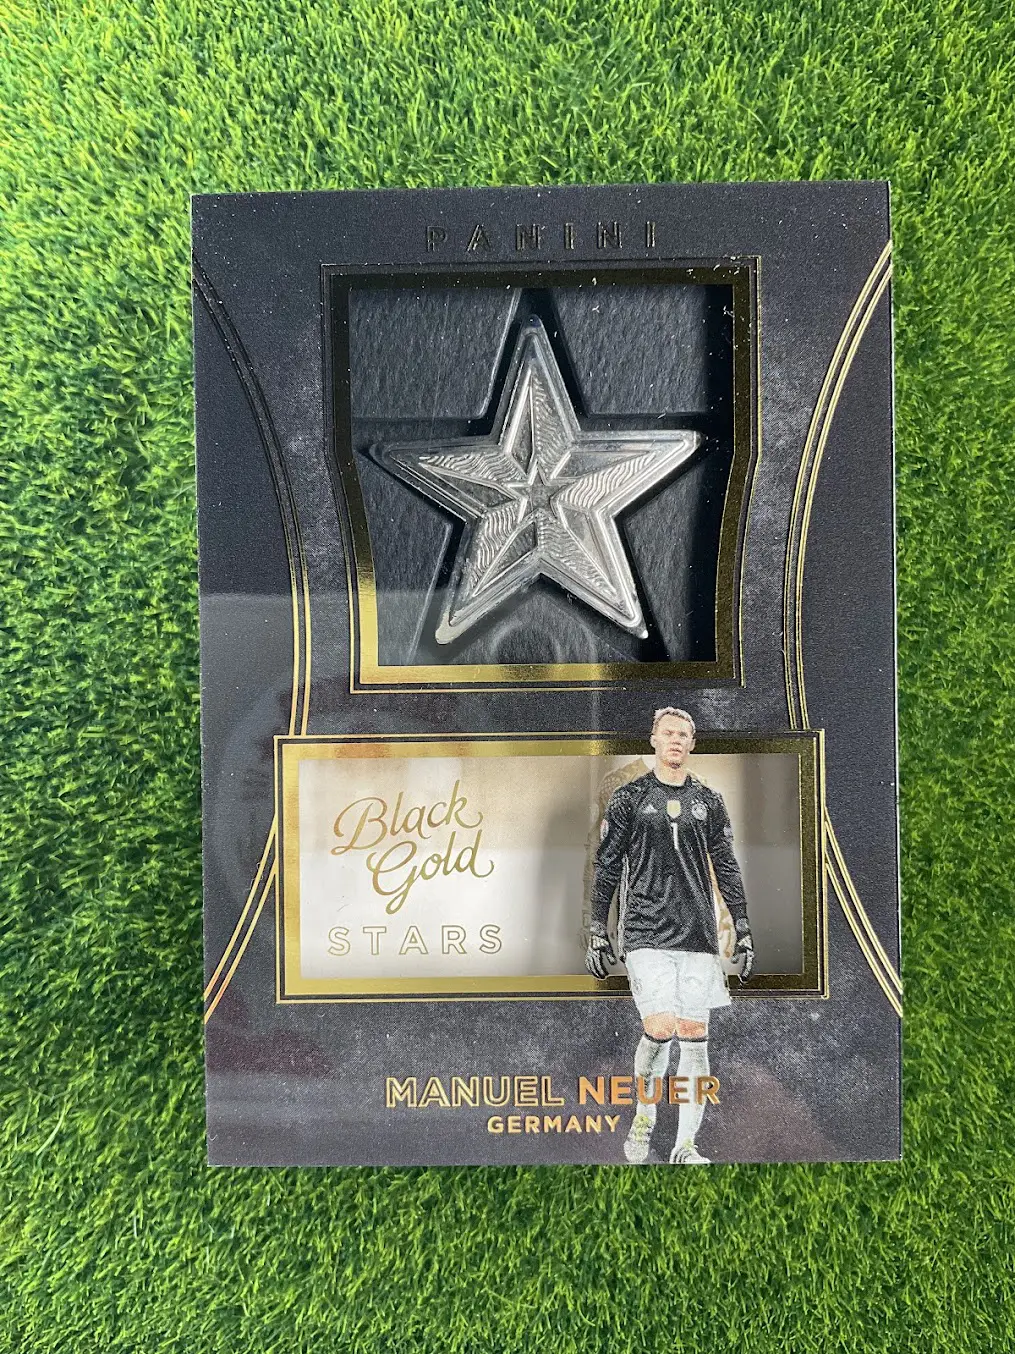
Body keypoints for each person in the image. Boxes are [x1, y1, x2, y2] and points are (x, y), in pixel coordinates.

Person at [586, 707, 754, 1164]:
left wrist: (742, 927)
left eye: (684, 734)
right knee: (661, 1026)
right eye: (668, 733)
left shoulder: (709, 801)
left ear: (692, 744)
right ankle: (644, 1119)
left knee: (695, 1032)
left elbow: (727, 866)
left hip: (697, 933)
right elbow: (607, 865)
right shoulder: (629, 798)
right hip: (645, 931)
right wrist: (597, 929)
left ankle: (685, 1147)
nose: (676, 740)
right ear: (654, 740)